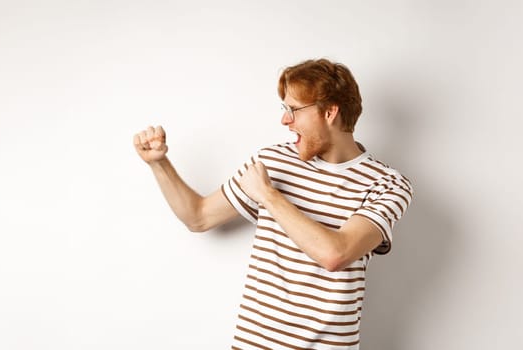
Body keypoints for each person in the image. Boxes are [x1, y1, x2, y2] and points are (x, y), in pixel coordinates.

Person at [132, 58, 412, 349]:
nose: (285, 120)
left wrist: (268, 195)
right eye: (284, 109)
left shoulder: (387, 184)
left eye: (293, 110)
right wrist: (159, 164)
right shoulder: (273, 161)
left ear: (329, 112)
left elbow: (335, 254)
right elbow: (198, 217)